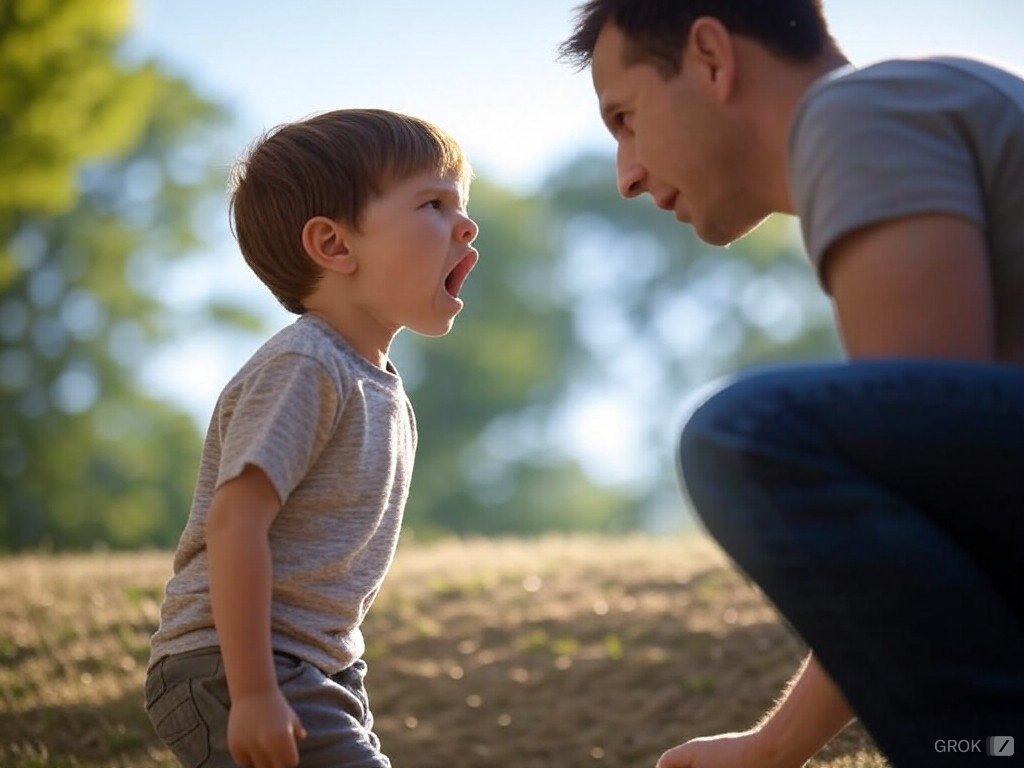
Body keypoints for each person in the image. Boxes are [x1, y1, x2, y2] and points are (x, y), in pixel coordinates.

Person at [559, 1, 1024, 766]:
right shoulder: (909, 110)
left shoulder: (858, 113)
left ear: (711, 57)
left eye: (625, 118)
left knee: (742, 434)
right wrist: (770, 750)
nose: (628, 175)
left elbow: (927, 488)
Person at [145, 108, 479, 768]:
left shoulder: (379, 387)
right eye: (434, 204)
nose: (467, 226)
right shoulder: (306, 367)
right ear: (334, 246)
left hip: (313, 669)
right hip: (232, 664)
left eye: (462, 206)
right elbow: (236, 523)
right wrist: (254, 692)